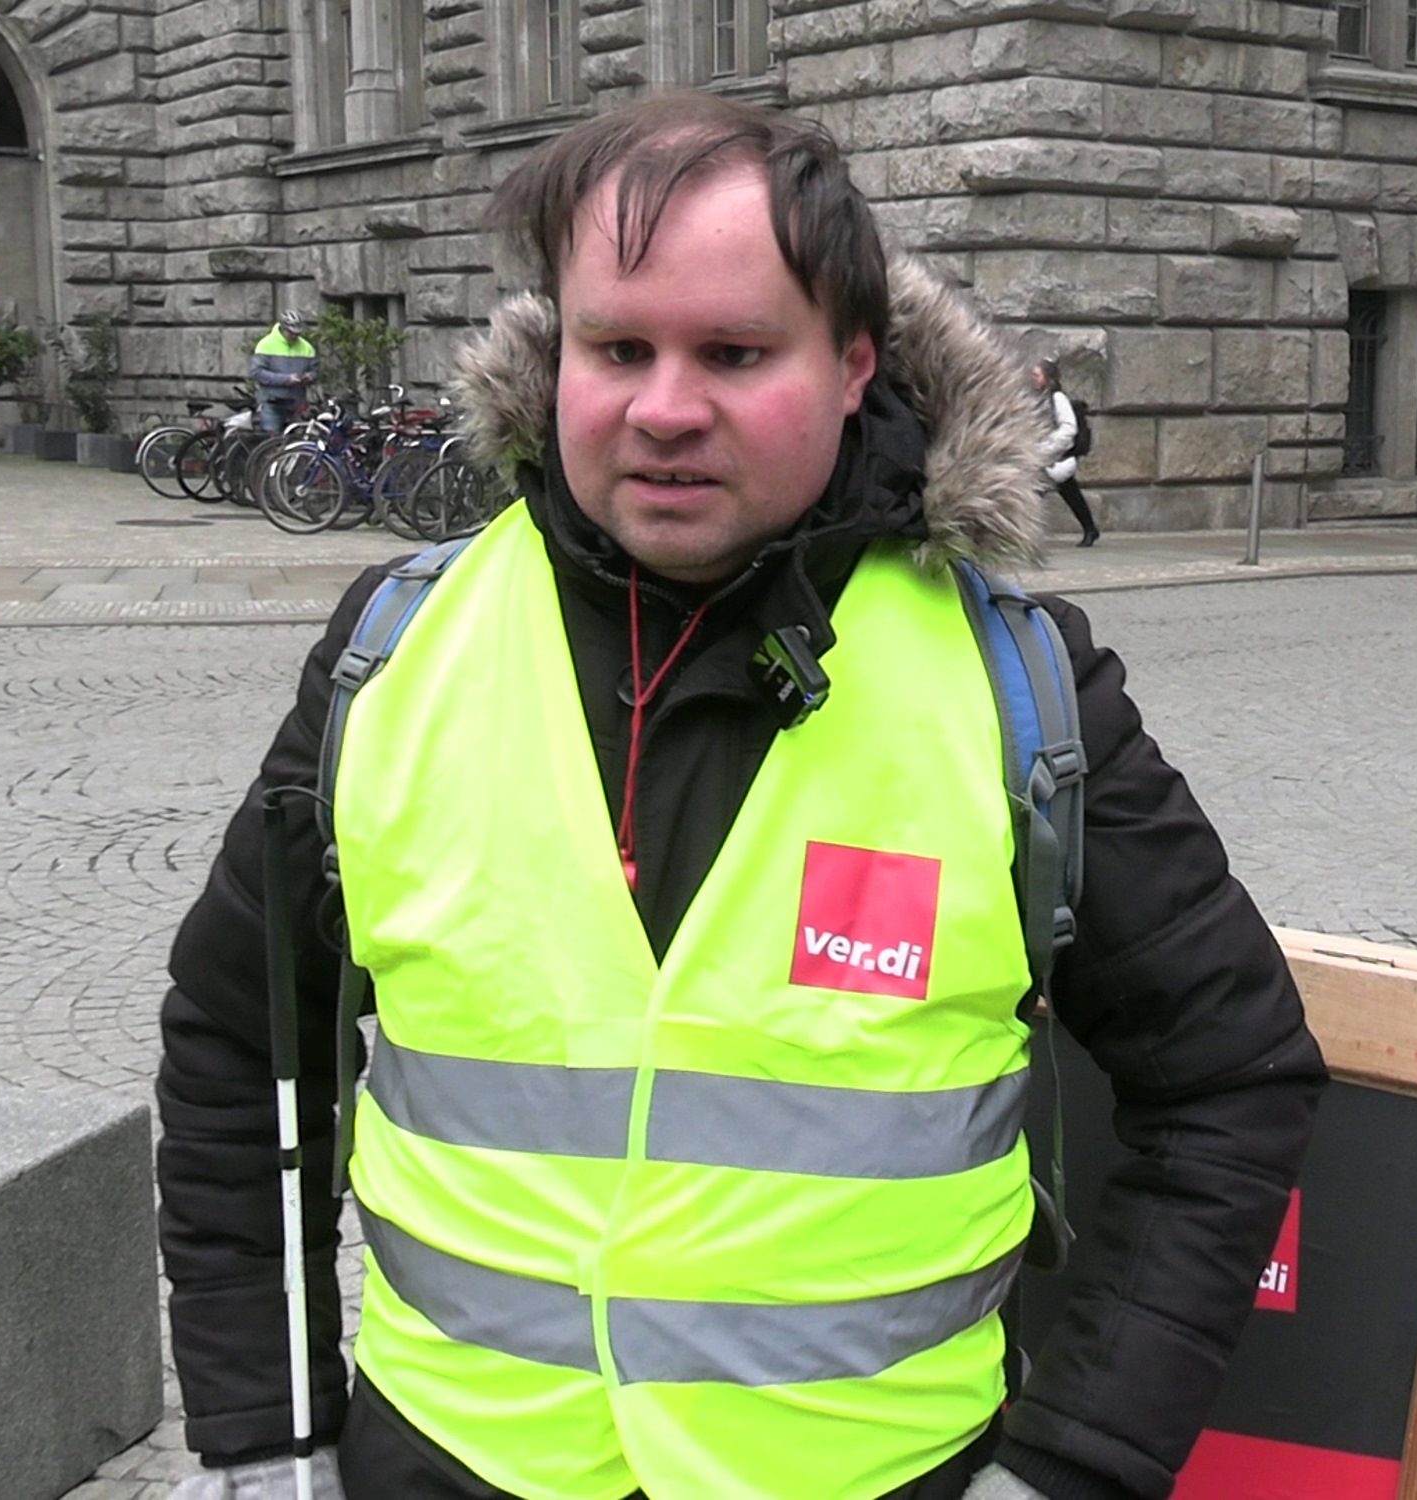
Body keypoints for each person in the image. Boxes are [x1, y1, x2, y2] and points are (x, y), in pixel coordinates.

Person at [159, 93, 1323, 1500]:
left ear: (852, 364)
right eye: (617, 348)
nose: (664, 409)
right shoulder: (393, 652)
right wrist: (266, 1433)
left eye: (733, 353)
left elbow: (1231, 1082)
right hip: (448, 1464)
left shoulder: (1015, 688)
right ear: (556, 350)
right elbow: (244, 1050)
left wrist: (1073, 1464)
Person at [1033, 361, 1099, 547]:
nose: (1033, 379)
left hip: (1055, 459)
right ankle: (1090, 529)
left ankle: (1029, 536)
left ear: (1047, 378)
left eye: (1037, 375)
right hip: (1046, 459)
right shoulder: (1041, 399)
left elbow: (1069, 428)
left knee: (1034, 493)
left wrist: (1047, 449)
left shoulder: (1057, 399)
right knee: (1071, 496)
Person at [250, 309, 318, 433]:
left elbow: (315, 371)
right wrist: (287, 379)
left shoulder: (307, 348)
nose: (294, 336)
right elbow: (257, 373)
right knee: (272, 440)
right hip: (272, 404)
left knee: (299, 440)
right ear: (282, 329)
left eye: (297, 333)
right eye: (291, 333)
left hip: (296, 405)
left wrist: (309, 377)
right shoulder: (266, 344)